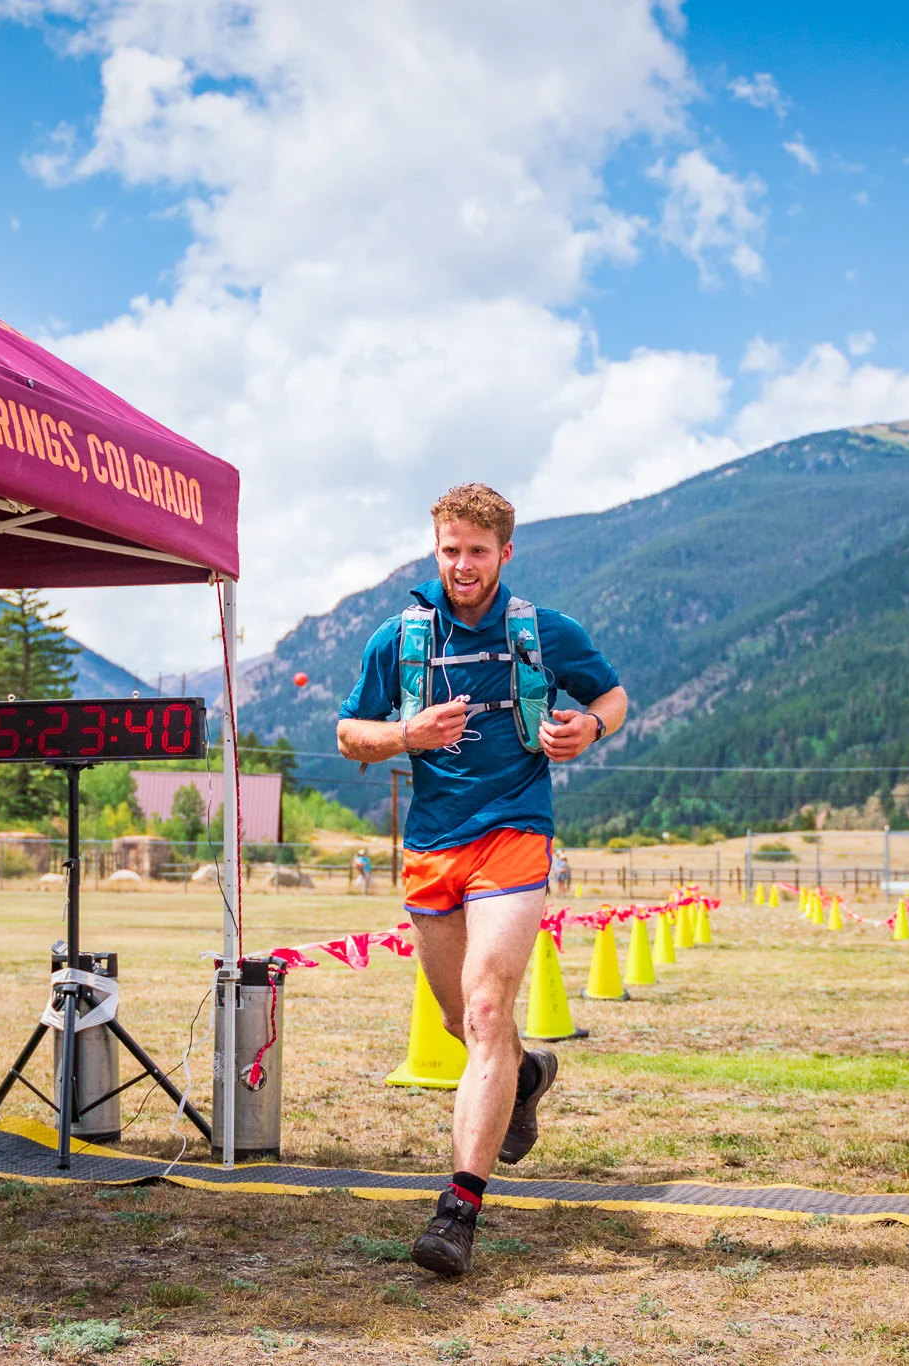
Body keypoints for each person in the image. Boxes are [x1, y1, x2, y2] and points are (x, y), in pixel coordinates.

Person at [336, 483, 627, 1276]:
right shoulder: (399, 638)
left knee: (491, 1007)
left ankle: (458, 1211)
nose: (463, 565)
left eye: (478, 551)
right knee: (464, 1023)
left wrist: (590, 726)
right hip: (434, 844)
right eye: (450, 550)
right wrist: (408, 733)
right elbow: (349, 733)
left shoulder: (544, 631)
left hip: (516, 831)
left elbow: (613, 696)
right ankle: (525, 1075)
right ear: (436, 549)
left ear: (505, 552)